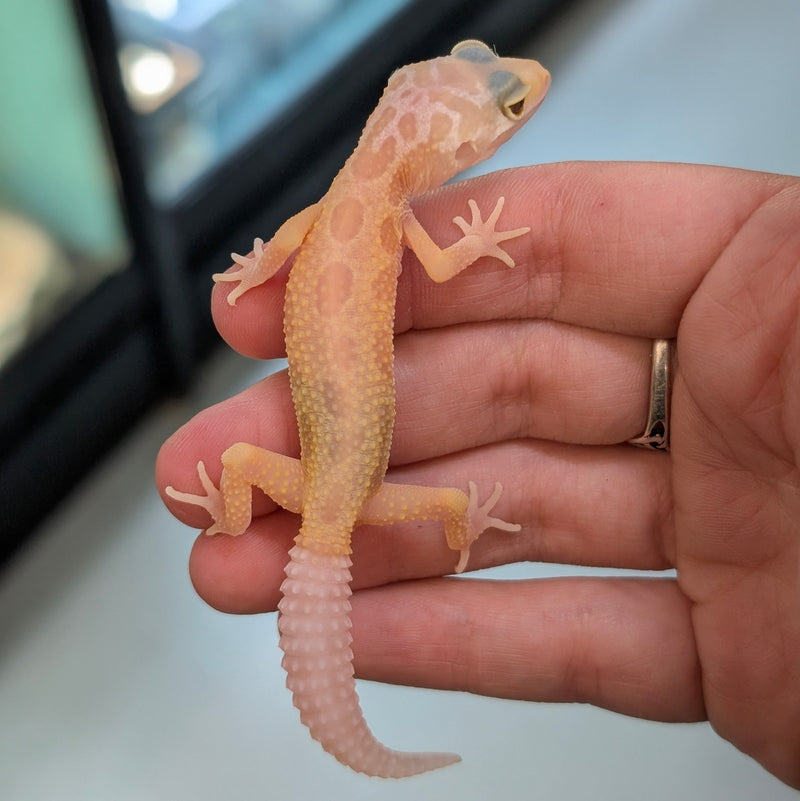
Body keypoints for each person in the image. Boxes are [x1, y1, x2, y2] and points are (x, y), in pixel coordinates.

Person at [156, 161, 800, 789]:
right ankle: (458, 526)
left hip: (324, 489)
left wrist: (256, 269)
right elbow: (438, 264)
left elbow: (287, 245)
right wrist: (475, 241)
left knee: (241, 462)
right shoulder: (386, 211)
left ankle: (235, 516)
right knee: (414, 500)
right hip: (356, 495)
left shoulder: (335, 203)